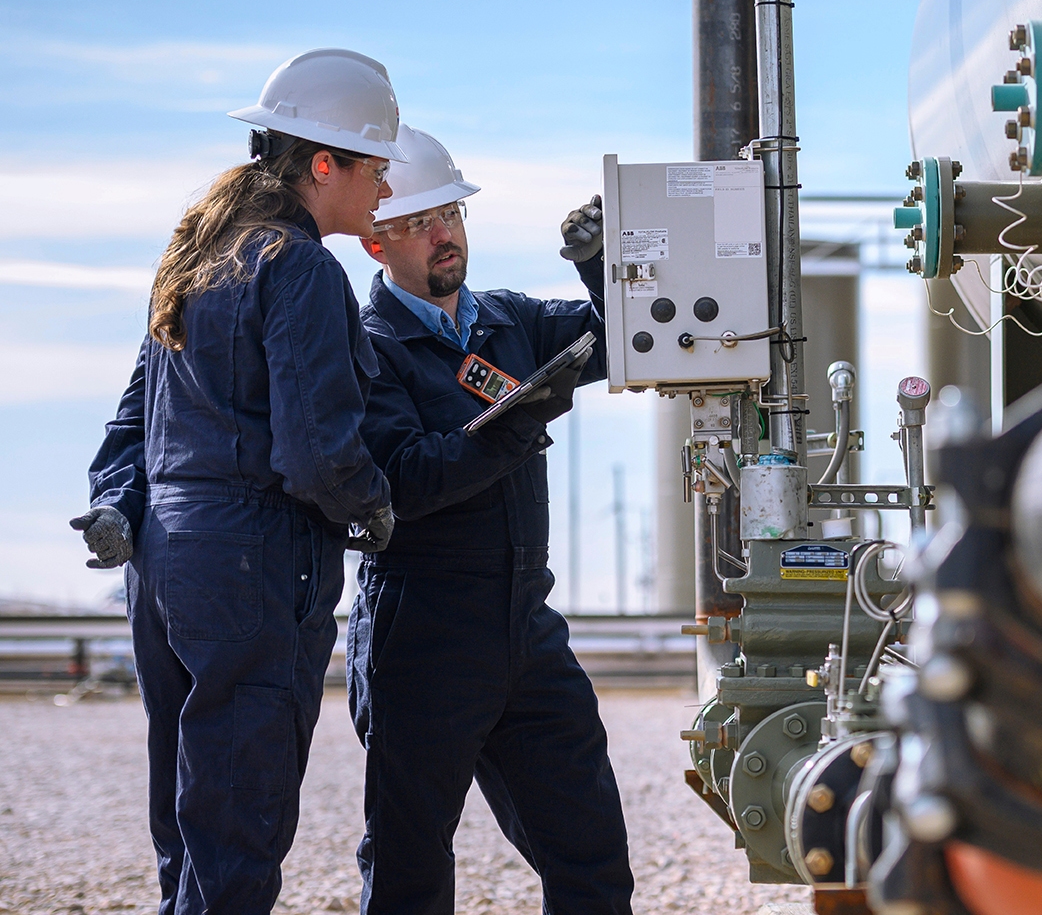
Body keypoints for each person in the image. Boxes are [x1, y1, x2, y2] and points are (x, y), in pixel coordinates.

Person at [71, 48, 404, 915]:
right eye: (376, 166)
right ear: (323, 164)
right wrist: (370, 505)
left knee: (188, 819)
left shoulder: (198, 258)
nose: (385, 189)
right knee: (241, 816)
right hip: (255, 562)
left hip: (166, 563)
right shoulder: (298, 267)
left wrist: (117, 500)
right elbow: (313, 448)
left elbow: (131, 419)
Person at [346, 125, 634, 915]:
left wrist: (597, 265)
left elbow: (624, 341)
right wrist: (514, 421)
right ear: (376, 245)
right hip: (422, 631)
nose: (442, 235)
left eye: (450, 216)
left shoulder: (509, 320)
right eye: (415, 223)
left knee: (591, 855)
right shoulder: (368, 348)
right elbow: (400, 478)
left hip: (524, 626)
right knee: (409, 867)